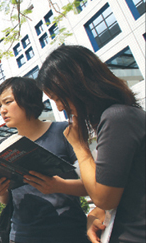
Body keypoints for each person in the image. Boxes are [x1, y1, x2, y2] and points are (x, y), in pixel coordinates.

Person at [36, 44, 145, 243]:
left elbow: (105, 197)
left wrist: (80, 146)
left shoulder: (117, 118)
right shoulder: (120, 116)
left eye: (59, 98)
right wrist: (97, 211)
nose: (60, 107)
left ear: (79, 86)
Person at [0, 77, 90, 243]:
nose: (2, 110)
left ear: (28, 99)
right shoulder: (4, 145)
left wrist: (59, 186)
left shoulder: (64, 132)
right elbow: (8, 199)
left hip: (67, 232)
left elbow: (91, 186)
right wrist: (0, 192)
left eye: (8, 102)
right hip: (21, 235)